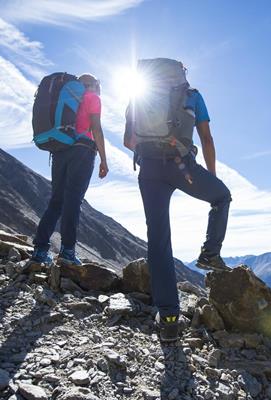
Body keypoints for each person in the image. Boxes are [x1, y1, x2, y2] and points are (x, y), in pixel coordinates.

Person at [123, 58, 231, 342]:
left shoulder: (139, 95)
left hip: (148, 169)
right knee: (221, 196)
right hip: (182, 167)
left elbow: (128, 141)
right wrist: (210, 175)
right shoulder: (193, 96)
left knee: (158, 239)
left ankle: (169, 319)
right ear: (180, 74)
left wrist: (153, 148)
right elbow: (206, 139)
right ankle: (210, 254)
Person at [31, 73, 109, 265]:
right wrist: (104, 160)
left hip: (60, 149)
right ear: (93, 85)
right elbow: (96, 129)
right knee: (73, 201)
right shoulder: (92, 98)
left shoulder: (68, 98)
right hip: (83, 151)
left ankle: (40, 250)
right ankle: (67, 251)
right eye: (97, 84)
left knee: (56, 202)